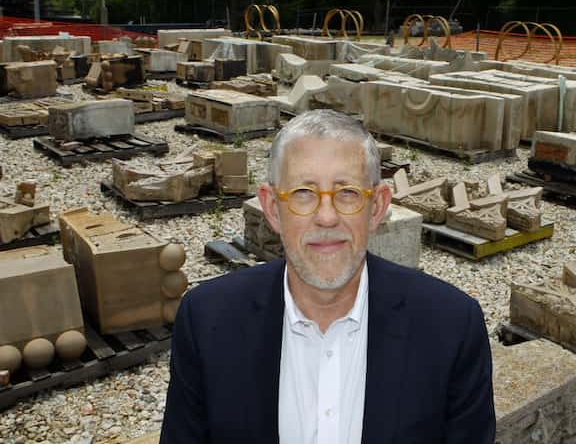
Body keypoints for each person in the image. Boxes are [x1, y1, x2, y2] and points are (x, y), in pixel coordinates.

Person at [161, 110, 495, 443]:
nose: (326, 216)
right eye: (303, 193)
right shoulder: (206, 321)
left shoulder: (452, 327)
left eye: (347, 192)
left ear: (377, 207)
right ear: (273, 208)